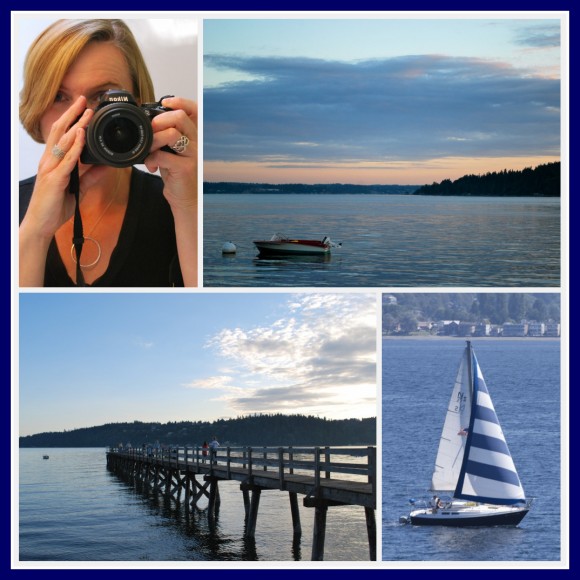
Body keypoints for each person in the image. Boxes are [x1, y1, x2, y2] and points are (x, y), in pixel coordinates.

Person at [19, 19, 198, 287]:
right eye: (59, 96)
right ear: (37, 108)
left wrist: (189, 207)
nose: (82, 117)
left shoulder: (174, 203)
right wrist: (34, 232)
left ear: (138, 105)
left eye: (103, 96)